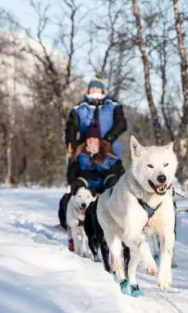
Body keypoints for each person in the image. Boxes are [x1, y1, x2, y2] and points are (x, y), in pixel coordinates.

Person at [61, 121, 125, 252]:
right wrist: (84, 174)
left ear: (99, 140)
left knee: (114, 181)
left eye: (94, 139)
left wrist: (108, 175)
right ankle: (72, 225)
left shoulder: (108, 155)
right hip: (85, 189)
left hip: (103, 188)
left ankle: (116, 223)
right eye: (89, 139)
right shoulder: (80, 155)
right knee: (77, 184)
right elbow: (71, 174)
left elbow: (119, 171)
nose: (91, 141)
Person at [65, 74, 127, 161]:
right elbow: (71, 127)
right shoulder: (79, 108)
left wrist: (109, 139)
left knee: (111, 169)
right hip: (85, 147)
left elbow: (121, 123)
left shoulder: (112, 105)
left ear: (102, 90)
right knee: (80, 168)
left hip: (109, 146)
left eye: (97, 88)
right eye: (91, 88)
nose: (94, 90)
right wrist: (71, 143)